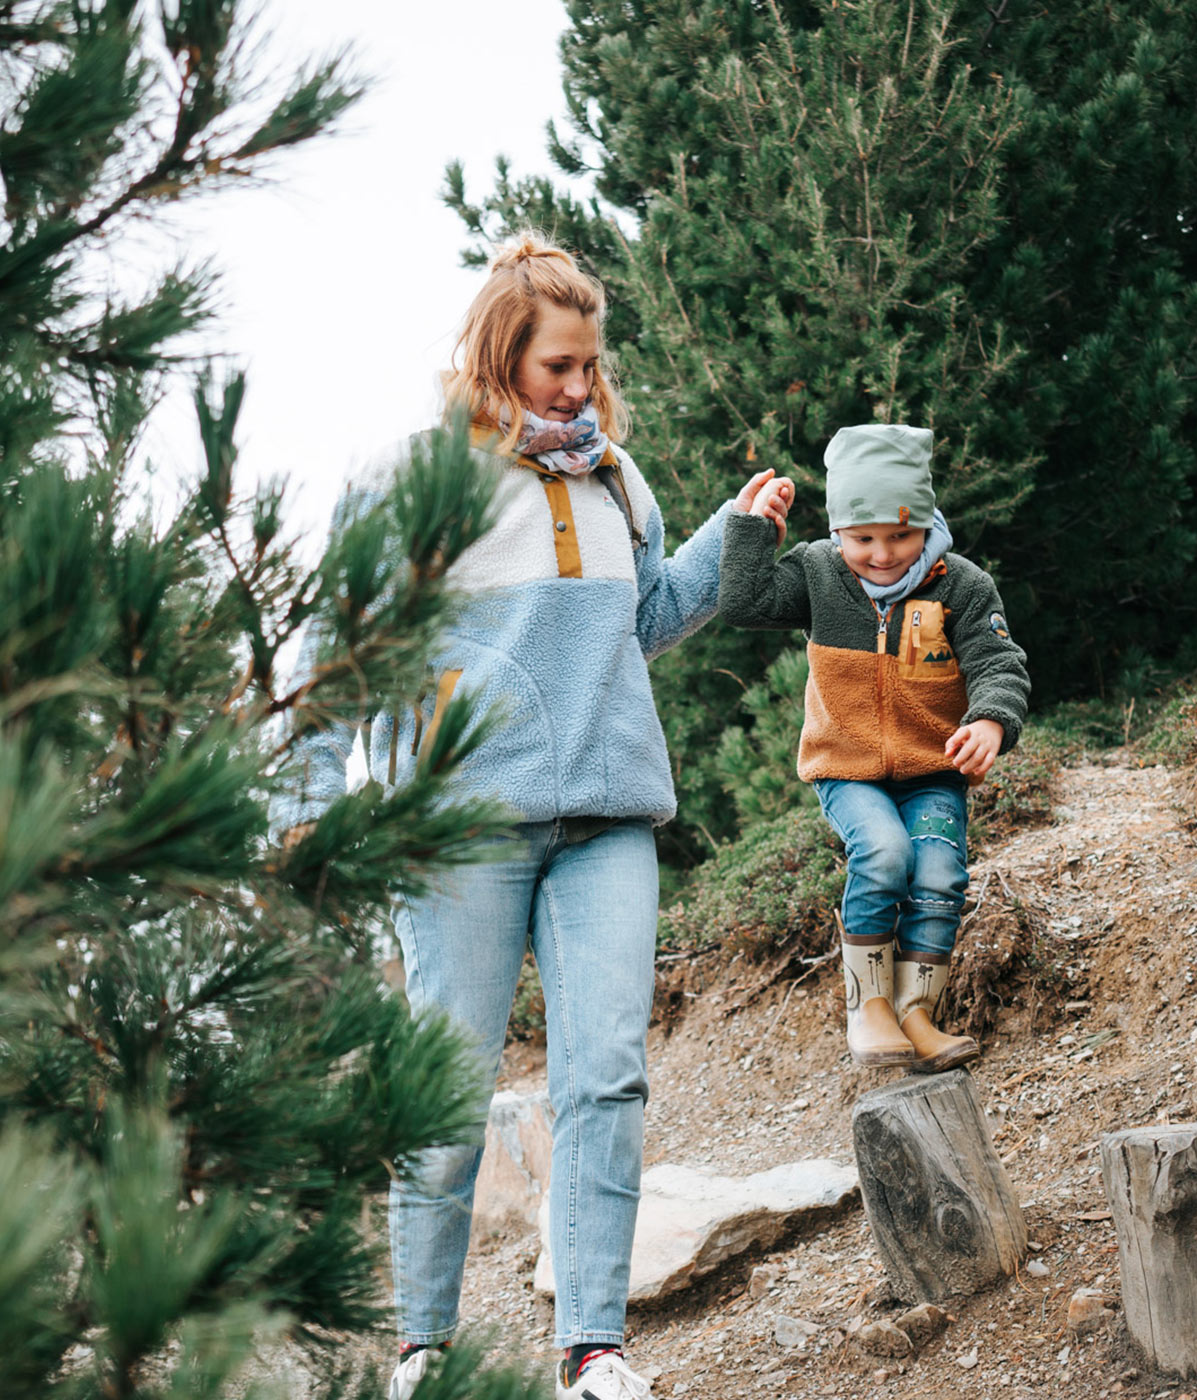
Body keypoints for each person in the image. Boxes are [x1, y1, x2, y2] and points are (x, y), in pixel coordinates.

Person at [278, 233, 792, 1400]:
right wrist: (310, 804)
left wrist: (731, 533)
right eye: (557, 365)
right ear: (499, 355)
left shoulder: (615, 479)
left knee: (604, 1073)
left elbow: (645, 619)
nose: (578, 386)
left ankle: (593, 1350)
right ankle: (422, 1349)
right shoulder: (417, 482)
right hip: (457, 826)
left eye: (588, 365)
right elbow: (336, 647)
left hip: (604, 816)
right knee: (446, 1089)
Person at [720, 424, 1029, 1072]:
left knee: (941, 873)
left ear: (926, 522)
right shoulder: (818, 574)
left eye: (900, 535)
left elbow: (998, 663)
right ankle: (870, 1008)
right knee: (885, 853)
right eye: (862, 539)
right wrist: (755, 529)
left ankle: (917, 1012)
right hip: (848, 767)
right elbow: (743, 602)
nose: (883, 554)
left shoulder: (961, 586)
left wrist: (992, 722)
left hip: (931, 770)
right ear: (837, 533)